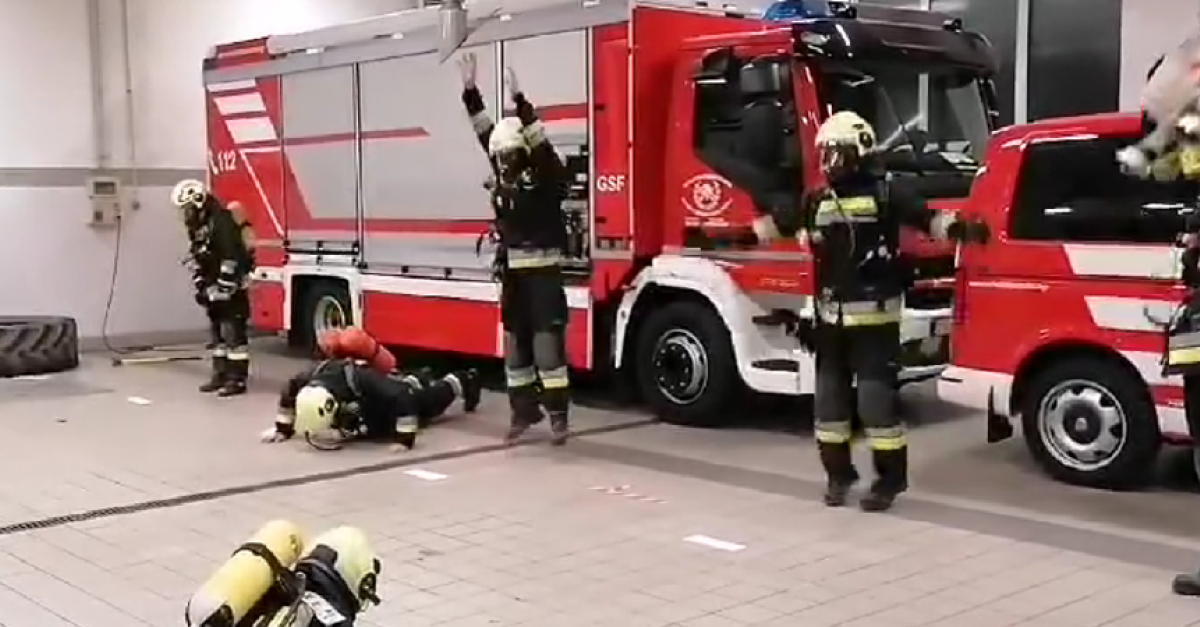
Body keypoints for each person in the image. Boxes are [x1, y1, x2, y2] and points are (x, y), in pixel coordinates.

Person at [749, 111, 990, 511]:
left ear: (857, 153)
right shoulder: (817, 199)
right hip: (830, 323)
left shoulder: (887, 194)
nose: (829, 162)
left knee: (875, 407)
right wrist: (739, 228)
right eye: (825, 153)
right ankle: (838, 476)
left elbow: (929, 220)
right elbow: (778, 226)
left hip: (876, 324)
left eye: (835, 153)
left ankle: (890, 480)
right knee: (829, 409)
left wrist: (964, 230)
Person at [457, 52, 572, 445]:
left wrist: (521, 102)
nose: (502, 162)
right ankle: (523, 412)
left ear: (522, 152)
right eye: (499, 157)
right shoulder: (503, 170)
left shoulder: (547, 177)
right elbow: (484, 133)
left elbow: (540, 144)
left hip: (543, 279)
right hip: (514, 279)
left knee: (547, 352)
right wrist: (470, 93)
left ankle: (558, 417)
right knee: (516, 352)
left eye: (508, 155)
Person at [260, 329, 482, 450]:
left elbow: (401, 396)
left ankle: (465, 379)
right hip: (377, 396)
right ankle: (421, 374)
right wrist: (283, 429)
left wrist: (403, 439)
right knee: (401, 389)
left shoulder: (358, 378)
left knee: (425, 402)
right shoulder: (308, 380)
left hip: (391, 398)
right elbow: (288, 392)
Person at [172, 179, 255, 397]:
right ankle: (220, 374)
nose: (185, 214)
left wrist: (224, 287)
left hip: (231, 287)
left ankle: (236, 379)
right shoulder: (198, 226)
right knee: (218, 336)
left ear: (198, 201)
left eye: (187, 208)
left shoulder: (221, 221)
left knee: (233, 335)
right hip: (213, 287)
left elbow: (231, 255)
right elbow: (198, 256)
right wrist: (202, 284)